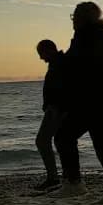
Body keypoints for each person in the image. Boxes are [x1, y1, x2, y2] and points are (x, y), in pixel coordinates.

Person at [55, 1, 103, 203]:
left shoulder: (96, 37)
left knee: (67, 137)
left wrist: (65, 63)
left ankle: (78, 184)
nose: (73, 20)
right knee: (100, 144)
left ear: (84, 19)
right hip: (100, 99)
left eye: (75, 16)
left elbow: (91, 67)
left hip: (98, 100)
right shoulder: (88, 36)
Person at [35, 39, 68, 191]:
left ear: (49, 50)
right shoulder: (57, 63)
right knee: (60, 141)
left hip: (57, 109)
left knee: (43, 140)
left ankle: (54, 177)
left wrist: (55, 108)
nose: (40, 57)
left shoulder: (60, 64)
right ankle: (61, 176)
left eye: (41, 53)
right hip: (55, 108)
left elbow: (62, 88)